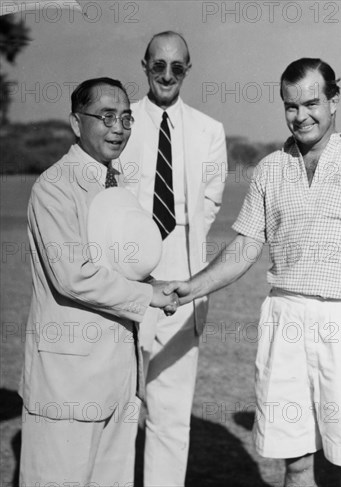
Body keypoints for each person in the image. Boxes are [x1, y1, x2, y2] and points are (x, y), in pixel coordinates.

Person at [165, 58, 341, 487]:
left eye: (312, 103)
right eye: (290, 106)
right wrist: (191, 287)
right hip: (285, 320)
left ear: (334, 101)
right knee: (295, 462)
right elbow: (244, 247)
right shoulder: (269, 169)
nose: (301, 116)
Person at [19, 77, 178, 485]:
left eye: (126, 118)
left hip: (118, 380)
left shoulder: (117, 181)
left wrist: (154, 283)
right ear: (76, 123)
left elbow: (117, 264)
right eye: (106, 116)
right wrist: (149, 295)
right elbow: (73, 276)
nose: (119, 128)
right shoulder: (54, 187)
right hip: (68, 381)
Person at [118, 31, 227, 485]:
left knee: (170, 417)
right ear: (144, 66)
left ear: (188, 69)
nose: (166, 75)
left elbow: (209, 205)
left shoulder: (209, 131)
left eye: (176, 67)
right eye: (158, 65)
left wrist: (181, 274)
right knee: (119, 412)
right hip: (124, 283)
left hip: (183, 290)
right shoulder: (119, 124)